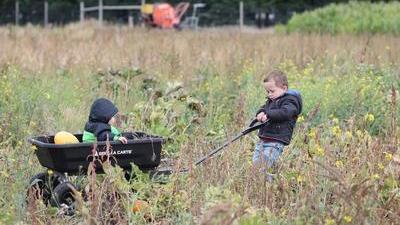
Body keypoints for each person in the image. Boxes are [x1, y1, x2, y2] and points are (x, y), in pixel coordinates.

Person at [253, 70, 302, 179]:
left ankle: (275, 182)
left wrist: (268, 114)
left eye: (272, 91)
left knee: (261, 167)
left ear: (284, 88)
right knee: (256, 168)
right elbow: (264, 109)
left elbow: (285, 113)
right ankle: (272, 181)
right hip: (264, 139)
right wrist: (260, 113)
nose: (269, 94)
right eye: (267, 92)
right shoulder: (272, 100)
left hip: (276, 141)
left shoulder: (290, 101)